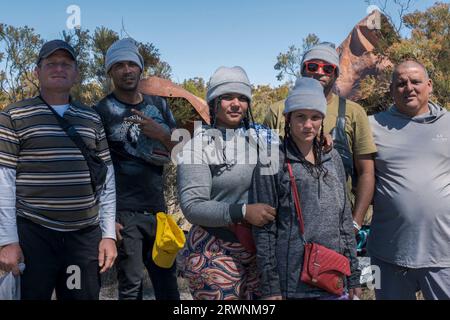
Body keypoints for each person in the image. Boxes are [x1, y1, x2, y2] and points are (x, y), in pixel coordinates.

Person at [0, 40, 117, 300]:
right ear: (36, 72)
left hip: (84, 237)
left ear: (75, 74)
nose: (58, 68)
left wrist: (108, 234)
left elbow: (107, 178)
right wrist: (7, 240)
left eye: (66, 64)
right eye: (51, 63)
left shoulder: (91, 118)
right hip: (34, 234)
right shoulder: (14, 116)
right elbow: (4, 181)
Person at [253, 77, 361, 300]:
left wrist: (354, 277)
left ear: (322, 119)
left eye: (315, 117)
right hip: (291, 283)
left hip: (332, 278)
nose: (308, 124)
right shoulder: (271, 159)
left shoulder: (333, 158)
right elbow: (264, 230)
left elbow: (343, 220)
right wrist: (271, 287)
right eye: (300, 116)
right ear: (287, 119)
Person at [176, 66, 277, 300]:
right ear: (213, 102)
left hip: (260, 251)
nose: (236, 104)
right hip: (214, 250)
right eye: (227, 97)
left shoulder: (263, 140)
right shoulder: (196, 147)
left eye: (242, 98)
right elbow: (192, 206)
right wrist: (242, 211)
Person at [94, 38, 180, 300]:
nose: (127, 70)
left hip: (158, 212)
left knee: (168, 285)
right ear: (110, 71)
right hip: (124, 214)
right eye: (119, 65)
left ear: (141, 68)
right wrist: (107, 220)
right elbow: (94, 168)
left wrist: (162, 133)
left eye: (132, 63)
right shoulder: (101, 111)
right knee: (131, 288)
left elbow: (183, 151)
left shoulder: (159, 106)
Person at [264, 43, 376, 233]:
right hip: (287, 222)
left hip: (338, 223)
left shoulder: (353, 112)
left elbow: (366, 172)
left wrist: (355, 223)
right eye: (312, 66)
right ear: (302, 70)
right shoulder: (277, 111)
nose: (319, 72)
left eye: (328, 68)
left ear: (336, 73)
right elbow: (265, 170)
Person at [368, 60, 450, 300]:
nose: (409, 88)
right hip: (387, 252)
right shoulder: (372, 126)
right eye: (401, 83)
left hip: (443, 252)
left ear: (430, 85)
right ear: (392, 90)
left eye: (415, 82)